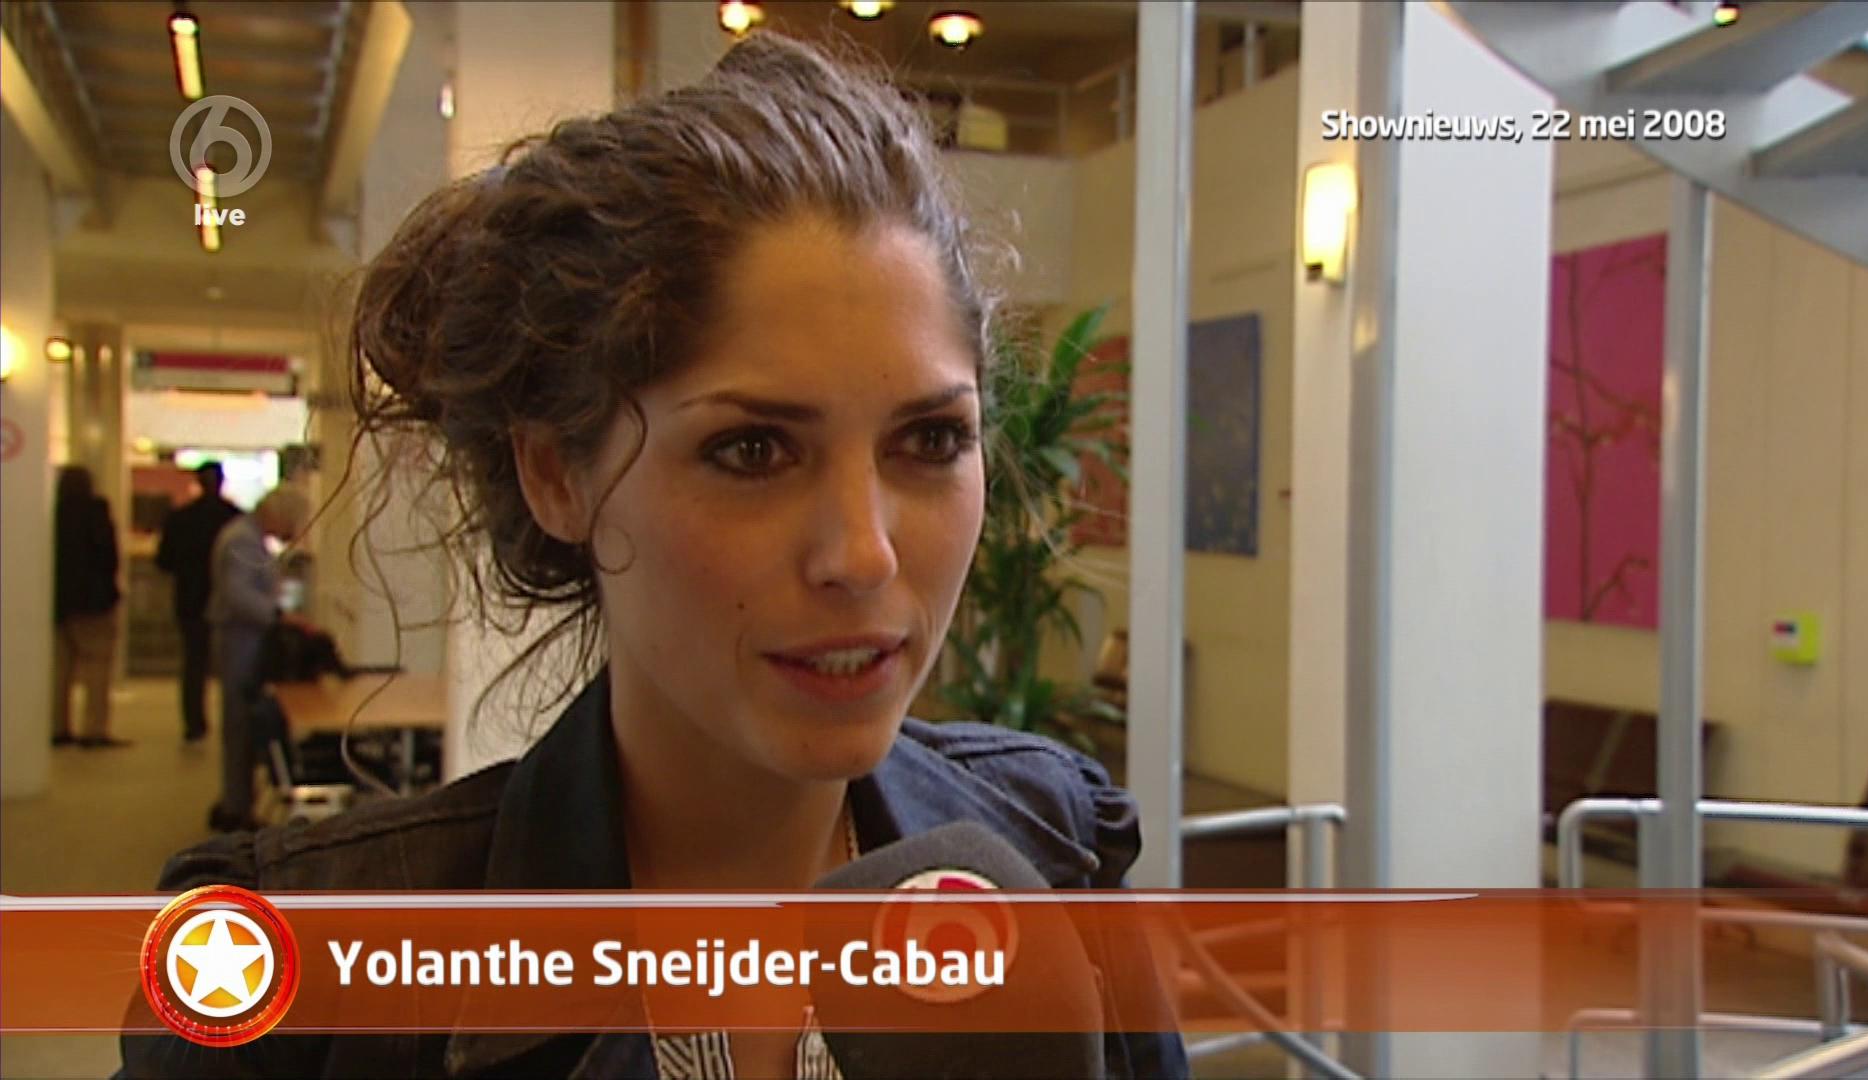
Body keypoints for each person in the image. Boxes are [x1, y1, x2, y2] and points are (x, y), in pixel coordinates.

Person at [123, 31, 1186, 1079]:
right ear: (558, 475)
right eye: (753, 450)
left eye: (931, 441)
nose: (863, 555)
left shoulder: (1052, 849)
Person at [204, 484, 310, 833]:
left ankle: (238, 801)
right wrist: (278, 616)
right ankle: (236, 807)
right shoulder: (242, 541)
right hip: (240, 639)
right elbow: (238, 595)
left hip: (246, 637)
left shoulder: (248, 537)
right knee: (240, 722)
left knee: (244, 723)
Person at [155, 462, 242, 742]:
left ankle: (194, 724)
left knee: (194, 663)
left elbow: (164, 561)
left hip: (190, 598)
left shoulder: (180, 519)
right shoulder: (235, 519)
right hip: (229, 601)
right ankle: (233, 722)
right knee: (233, 664)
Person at [53, 464, 125, 748]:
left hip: (60, 602)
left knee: (60, 669)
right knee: (97, 667)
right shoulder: (96, 511)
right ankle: (94, 729)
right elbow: (108, 556)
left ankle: (58, 726)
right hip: (94, 602)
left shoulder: (52, 512)